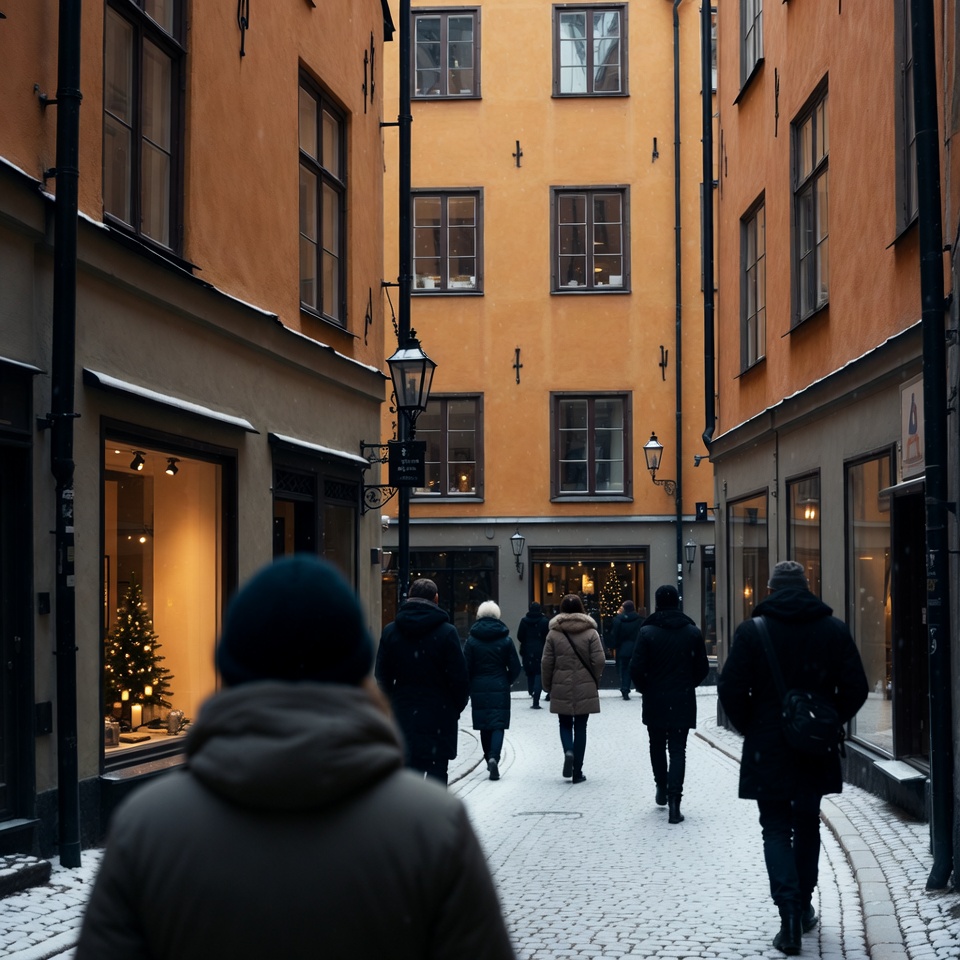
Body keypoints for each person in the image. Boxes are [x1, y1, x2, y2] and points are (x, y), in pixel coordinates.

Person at [76, 555, 516, 960]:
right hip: (430, 728)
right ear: (351, 667)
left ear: (230, 666)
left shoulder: (149, 830)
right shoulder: (433, 830)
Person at [717, 560, 868, 956]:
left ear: (770, 590)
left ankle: (787, 916)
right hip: (813, 748)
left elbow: (730, 688)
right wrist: (825, 718)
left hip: (769, 746)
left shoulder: (753, 631)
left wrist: (754, 725)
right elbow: (856, 688)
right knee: (806, 825)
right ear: (806, 587)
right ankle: (802, 908)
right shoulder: (832, 629)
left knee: (775, 828)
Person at [376, 577, 470, 785]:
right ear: (436, 599)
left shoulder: (391, 631)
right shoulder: (447, 633)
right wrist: (454, 708)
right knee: (437, 776)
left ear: (409, 597)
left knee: (408, 778)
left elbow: (381, 675)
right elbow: (460, 678)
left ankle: (410, 816)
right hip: (440, 716)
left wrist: (391, 704)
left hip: (404, 716)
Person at [630, 584, 709, 824]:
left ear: (657, 603)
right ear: (677, 603)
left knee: (656, 745)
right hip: (682, 698)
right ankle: (675, 801)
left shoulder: (647, 632)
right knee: (677, 749)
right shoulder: (692, 632)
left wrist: (646, 687)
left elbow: (636, 668)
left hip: (655, 698)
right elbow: (703, 668)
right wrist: (688, 684)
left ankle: (662, 788)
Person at [540, 594, 605, 784]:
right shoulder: (591, 633)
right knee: (582, 726)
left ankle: (568, 750)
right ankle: (577, 771)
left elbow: (546, 662)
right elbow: (600, 660)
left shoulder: (553, 633)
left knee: (565, 723)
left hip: (561, 684)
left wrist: (547, 685)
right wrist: (594, 676)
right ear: (581, 609)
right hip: (585, 684)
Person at [464, 600, 523, 780]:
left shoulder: (472, 640)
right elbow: (515, 666)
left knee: (484, 725)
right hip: (499, 684)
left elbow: (465, 666)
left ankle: (487, 756)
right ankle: (494, 757)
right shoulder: (505, 640)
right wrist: (507, 680)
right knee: (498, 724)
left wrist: (470, 682)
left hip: (479, 685)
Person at [516, 600, 549, 708]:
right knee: (539, 673)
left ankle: (531, 691)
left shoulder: (524, 621)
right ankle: (536, 697)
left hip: (527, 649)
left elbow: (519, 636)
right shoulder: (544, 621)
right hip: (541, 650)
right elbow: (548, 636)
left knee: (530, 672)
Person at [608, 599, 643, 699]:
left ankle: (625, 689)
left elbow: (615, 635)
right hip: (636, 648)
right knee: (638, 669)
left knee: (624, 669)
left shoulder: (618, 620)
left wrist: (614, 645)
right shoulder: (639, 620)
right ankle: (641, 687)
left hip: (623, 648)